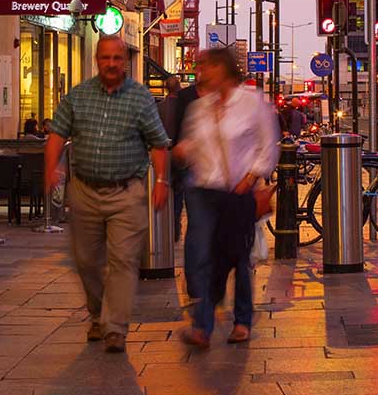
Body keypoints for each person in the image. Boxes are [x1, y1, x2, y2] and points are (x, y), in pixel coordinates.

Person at [44, 35, 170, 353]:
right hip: (84, 190)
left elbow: (158, 143)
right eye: (105, 58)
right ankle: (98, 314)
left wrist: (161, 182)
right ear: (96, 60)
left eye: (116, 58)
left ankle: (115, 327)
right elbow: (58, 133)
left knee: (123, 260)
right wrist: (51, 168)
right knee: (86, 260)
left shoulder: (141, 98)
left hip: (127, 192)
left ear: (125, 61)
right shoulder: (79, 96)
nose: (111, 64)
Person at [174, 48, 279, 348]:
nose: (200, 72)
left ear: (223, 68)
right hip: (204, 191)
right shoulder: (200, 107)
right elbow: (192, 144)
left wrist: (250, 178)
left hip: (237, 191)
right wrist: (184, 150)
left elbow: (267, 144)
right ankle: (202, 326)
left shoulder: (251, 102)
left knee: (237, 255)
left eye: (205, 66)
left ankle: (242, 320)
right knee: (204, 256)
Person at [158, 75, 199, 239]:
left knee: (173, 195)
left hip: (166, 155)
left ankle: (172, 228)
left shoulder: (160, 107)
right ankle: (179, 229)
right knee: (185, 194)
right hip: (184, 156)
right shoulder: (189, 107)